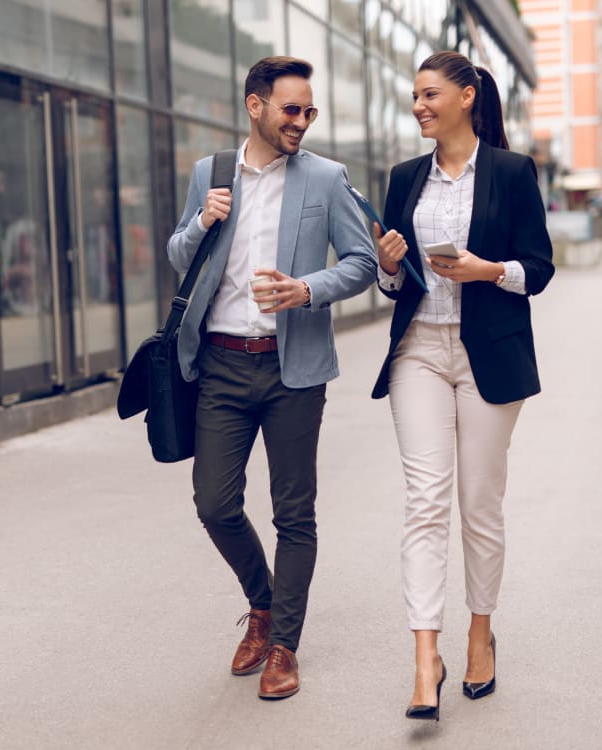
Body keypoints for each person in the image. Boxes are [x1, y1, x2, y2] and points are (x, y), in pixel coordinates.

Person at [168, 56, 377, 700]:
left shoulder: (325, 177)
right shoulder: (211, 173)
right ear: (255, 106)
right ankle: (261, 604)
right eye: (292, 109)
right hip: (222, 366)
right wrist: (202, 220)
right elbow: (180, 256)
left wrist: (306, 289)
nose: (302, 121)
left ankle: (284, 643)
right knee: (214, 504)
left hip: (293, 371)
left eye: (309, 111)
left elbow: (363, 261)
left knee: (295, 512)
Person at [370, 51, 555, 721]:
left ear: (467, 95)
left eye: (429, 94)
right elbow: (393, 286)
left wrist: (486, 270)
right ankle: (426, 658)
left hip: (488, 358)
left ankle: (480, 633)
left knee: (479, 502)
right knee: (425, 501)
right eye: (414, 96)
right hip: (418, 349)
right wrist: (389, 267)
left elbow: (538, 269)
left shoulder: (511, 172)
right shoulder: (403, 178)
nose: (419, 105)